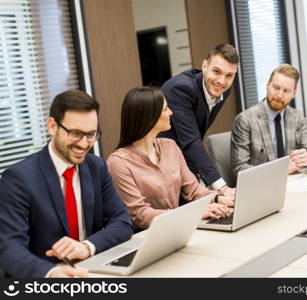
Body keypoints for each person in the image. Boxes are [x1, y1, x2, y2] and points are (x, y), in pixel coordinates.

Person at [0, 90, 133, 278]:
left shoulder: (97, 167)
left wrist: (87, 246)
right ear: (52, 126)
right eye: (76, 133)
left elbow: (122, 222)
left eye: (91, 134)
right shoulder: (18, 178)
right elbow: (8, 248)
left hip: (92, 270)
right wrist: (51, 273)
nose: (84, 144)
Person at [108, 87, 233, 230]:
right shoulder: (118, 162)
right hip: (146, 237)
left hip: (178, 229)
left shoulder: (170, 146)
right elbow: (140, 214)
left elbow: (193, 190)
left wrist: (219, 198)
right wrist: (190, 214)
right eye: (165, 109)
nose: (171, 113)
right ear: (150, 117)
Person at [160, 43, 239, 194]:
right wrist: (219, 185)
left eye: (229, 75)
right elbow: (190, 141)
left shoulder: (222, 90)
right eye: (216, 71)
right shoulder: (181, 89)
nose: (222, 81)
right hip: (162, 165)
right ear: (204, 66)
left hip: (186, 160)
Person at [231, 64, 307, 178]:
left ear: (294, 93)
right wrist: (280, 171)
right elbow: (239, 168)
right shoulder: (245, 120)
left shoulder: (297, 117)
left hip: (294, 183)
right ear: (267, 85)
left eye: (286, 91)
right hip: (262, 187)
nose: (279, 95)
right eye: (276, 88)